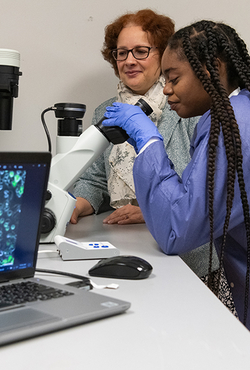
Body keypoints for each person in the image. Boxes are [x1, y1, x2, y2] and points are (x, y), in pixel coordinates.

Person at [102, 20, 250, 328]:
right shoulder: (237, 111)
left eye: (174, 78)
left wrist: (149, 143)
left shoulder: (229, 124)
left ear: (212, 69)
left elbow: (176, 230)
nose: (167, 88)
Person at [71, 10, 220, 280]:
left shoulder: (188, 106)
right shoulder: (107, 111)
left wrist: (149, 209)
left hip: (186, 253)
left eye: (141, 51)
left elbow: (198, 190)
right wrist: (74, 206)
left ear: (163, 55)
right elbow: (94, 180)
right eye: (121, 52)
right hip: (125, 242)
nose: (129, 61)